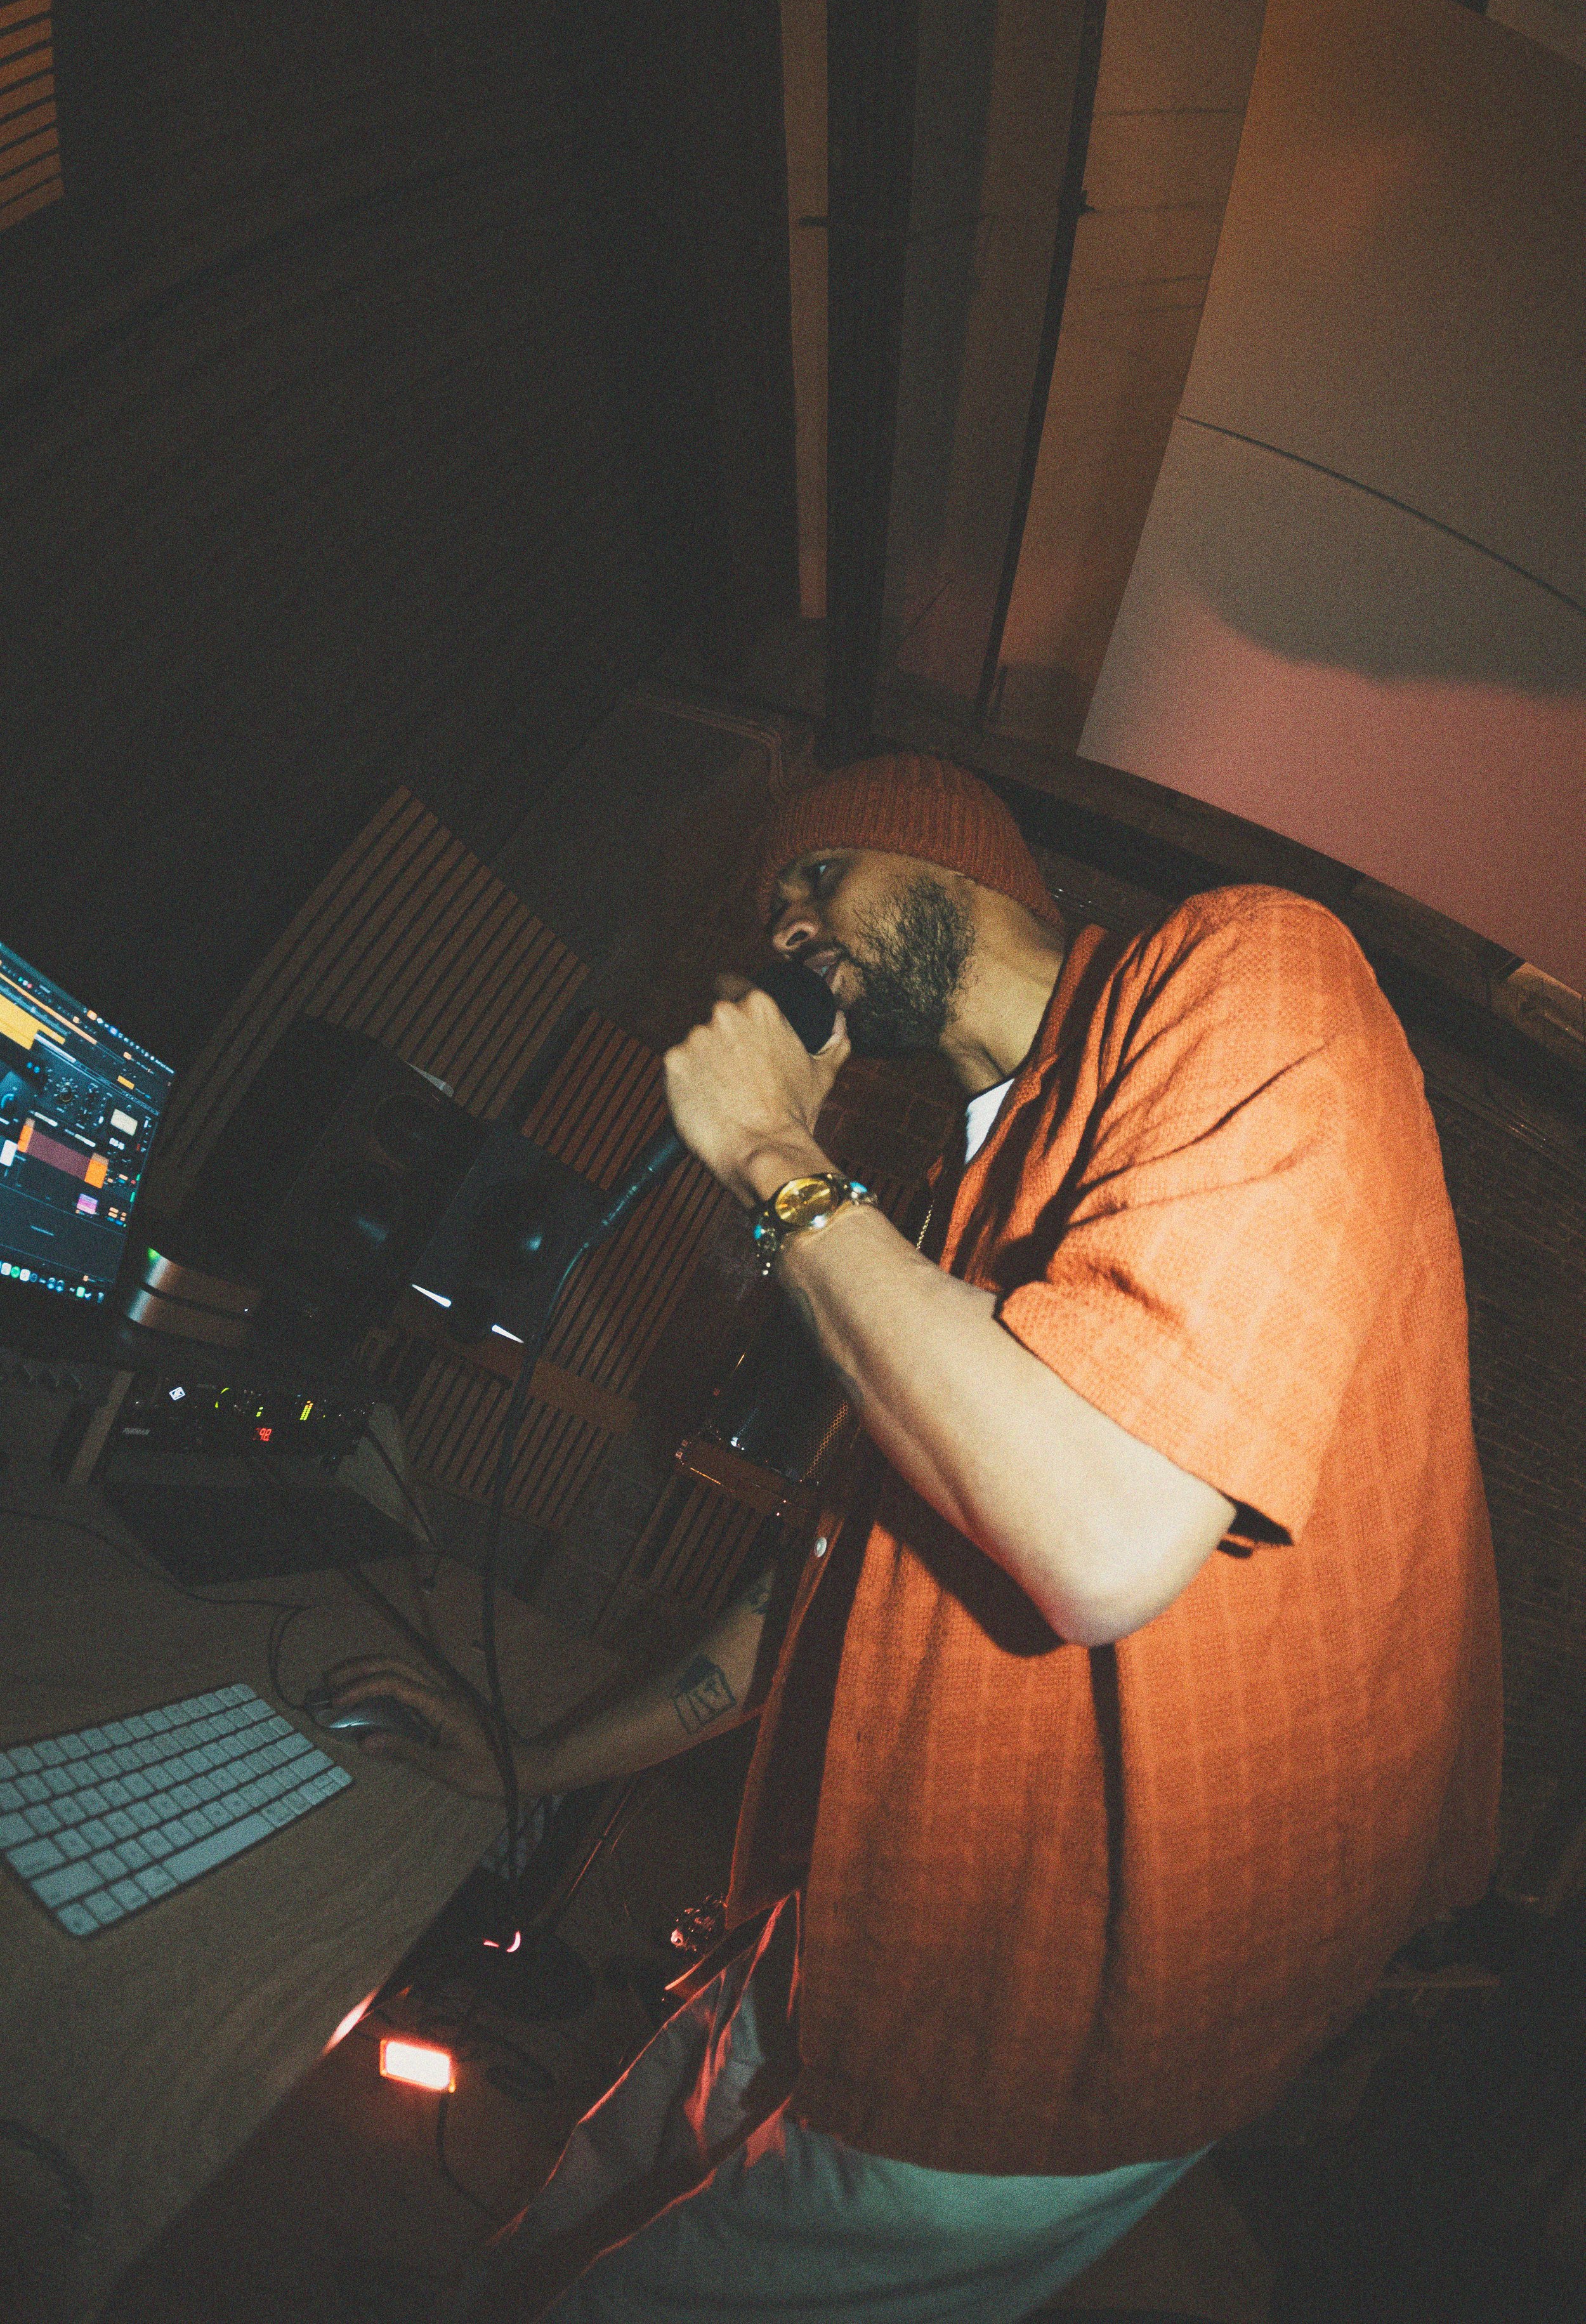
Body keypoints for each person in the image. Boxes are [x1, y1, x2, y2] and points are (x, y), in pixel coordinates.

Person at [327, 752, 1503, 2322]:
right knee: (576, 2206)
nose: (788, 928)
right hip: (851, 1916)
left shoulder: (1247, 967)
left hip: (1061, 2005)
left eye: (820, 876)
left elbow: (1102, 1538)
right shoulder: (950, 1209)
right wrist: (524, 1761)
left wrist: (771, 1156)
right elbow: (803, 1605)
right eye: (773, 907)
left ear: (958, 857)